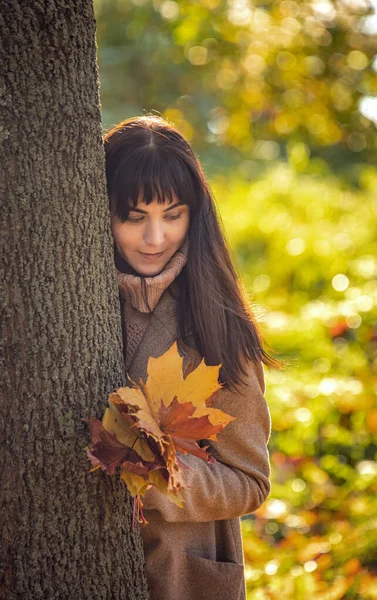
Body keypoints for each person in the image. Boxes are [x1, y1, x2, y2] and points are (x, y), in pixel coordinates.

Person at [104, 115, 281, 600]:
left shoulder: (217, 321)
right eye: (134, 217)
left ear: (194, 214)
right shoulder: (62, 302)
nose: (155, 238)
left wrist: (158, 480)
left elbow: (250, 481)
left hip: (181, 576)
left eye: (172, 214)